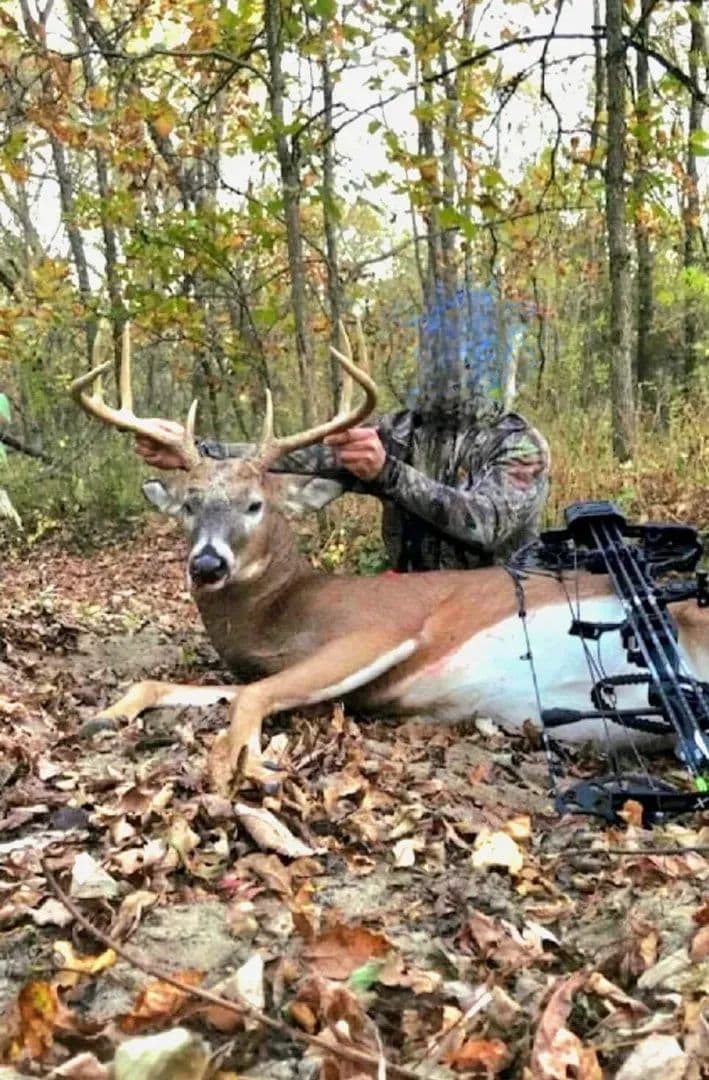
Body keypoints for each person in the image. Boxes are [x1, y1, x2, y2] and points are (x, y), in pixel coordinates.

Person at [135, 381, 550, 573]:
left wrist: (387, 472)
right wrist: (202, 452)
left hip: (500, 597)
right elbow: (304, 461)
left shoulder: (519, 444)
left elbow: (486, 524)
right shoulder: (399, 431)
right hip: (412, 596)